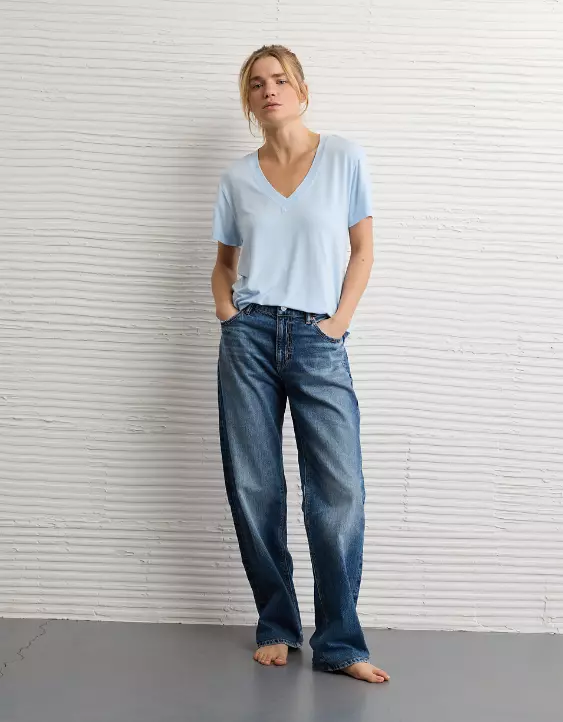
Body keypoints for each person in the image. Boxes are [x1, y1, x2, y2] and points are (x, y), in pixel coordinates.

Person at [210, 44, 390, 684]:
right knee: (255, 485)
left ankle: (339, 642)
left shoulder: (343, 157)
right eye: (257, 83)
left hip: (318, 338)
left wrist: (338, 323)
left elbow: (362, 249)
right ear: (248, 100)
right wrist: (228, 316)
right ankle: (277, 625)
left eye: (280, 79)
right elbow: (224, 265)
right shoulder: (237, 178)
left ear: (302, 89)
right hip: (250, 337)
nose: (269, 90)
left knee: (339, 491)